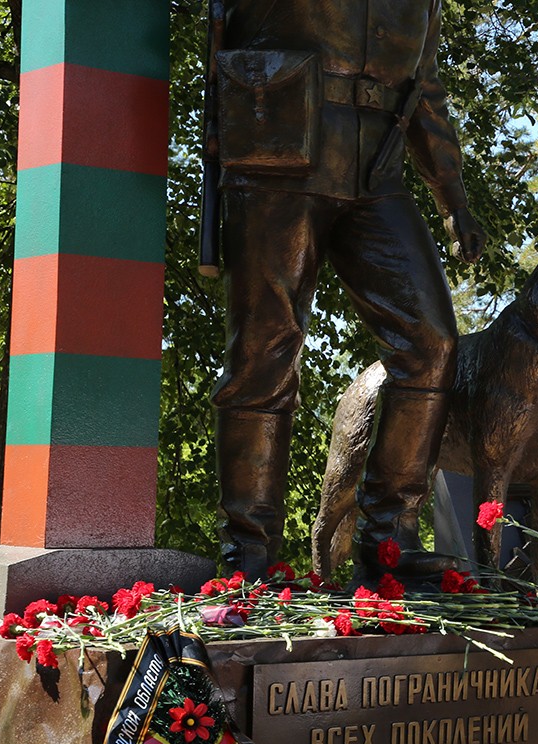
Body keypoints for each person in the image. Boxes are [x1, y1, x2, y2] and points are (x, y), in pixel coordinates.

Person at [207, 0, 485, 582]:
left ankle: (389, 544)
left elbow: (424, 90)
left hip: (376, 171)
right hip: (277, 156)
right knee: (263, 353)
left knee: (432, 345)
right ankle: (249, 554)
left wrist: (454, 195)